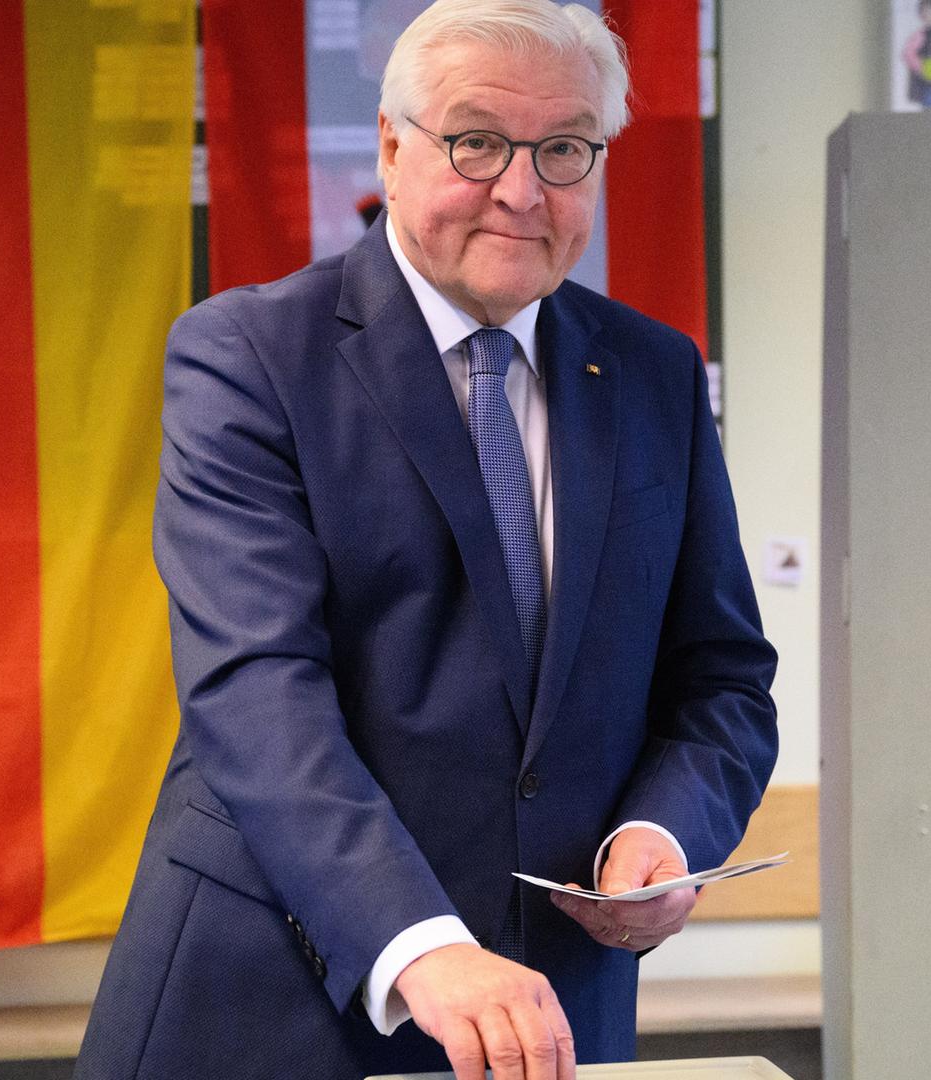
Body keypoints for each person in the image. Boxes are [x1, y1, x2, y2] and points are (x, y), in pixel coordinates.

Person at [75, 2, 777, 1077]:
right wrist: (424, 945)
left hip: (548, 1007)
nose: (521, 188)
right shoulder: (248, 356)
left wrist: (665, 835)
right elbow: (257, 692)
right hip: (271, 1000)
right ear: (394, 147)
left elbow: (721, 680)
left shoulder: (655, 375)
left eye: (563, 148)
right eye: (478, 140)